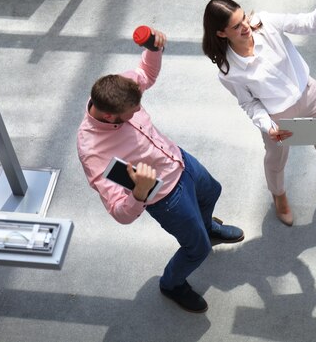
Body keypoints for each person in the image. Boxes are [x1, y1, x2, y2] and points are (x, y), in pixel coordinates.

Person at [77, 27, 244, 314]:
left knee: (212, 191)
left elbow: (146, 73)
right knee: (197, 250)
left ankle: (206, 228)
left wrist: (154, 48)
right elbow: (119, 211)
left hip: (179, 160)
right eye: (131, 112)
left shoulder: (121, 89)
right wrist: (139, 193)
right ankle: (172, 284)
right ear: (109, 116)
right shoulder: (94, 151)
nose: (137, 113)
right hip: (164, 198)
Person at [202, 0, 316, 226]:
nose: (246, 27)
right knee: (276, 161)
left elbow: (305, 23)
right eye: (236, 26)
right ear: (221, 33)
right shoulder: (228, 71)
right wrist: (268, 126)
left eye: (244, 18)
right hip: (279, 118)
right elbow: (248, 103)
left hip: (310, 96)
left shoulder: (266, 22)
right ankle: (278, 195)